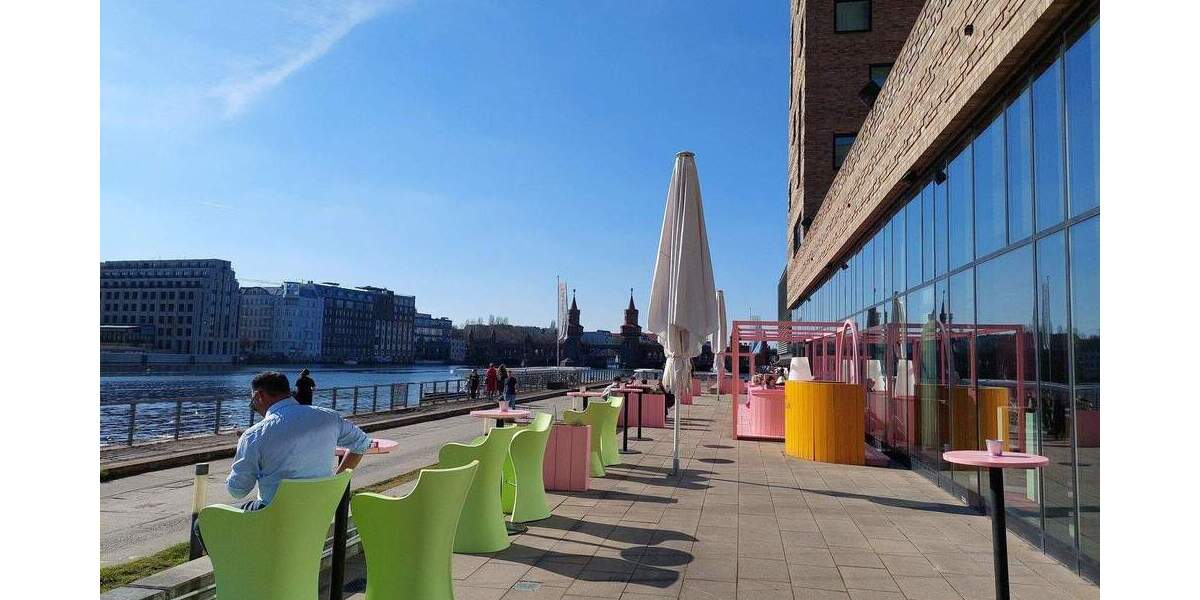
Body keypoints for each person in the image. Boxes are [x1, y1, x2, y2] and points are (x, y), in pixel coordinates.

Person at [226, 371, 372, 510]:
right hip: (316, 511)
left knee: (206, 522)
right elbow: (362, 443)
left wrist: (245, 451)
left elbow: (238, 491)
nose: (254, 406)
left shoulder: (254, 435)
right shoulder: (329, 417)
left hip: (273, 516)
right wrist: (334, 483)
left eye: (253, 400)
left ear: (259, 395)